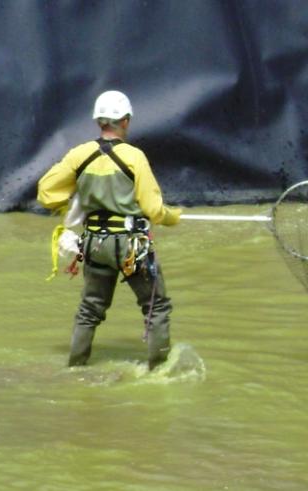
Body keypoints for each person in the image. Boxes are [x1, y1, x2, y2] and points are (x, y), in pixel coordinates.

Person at [37, 90, 182, 370]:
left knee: (90, 310)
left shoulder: (79, 155)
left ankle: (76, 368)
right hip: (131, 246)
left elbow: (46, 192)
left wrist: (70, 206)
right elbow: (154, 210)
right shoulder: (134, 157)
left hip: (94, 245)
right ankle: (160, 371)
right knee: (157, 308)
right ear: (125, 121)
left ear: (98, 121)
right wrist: (173, 217)